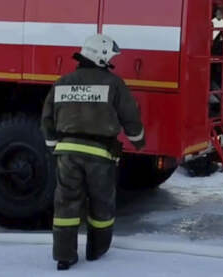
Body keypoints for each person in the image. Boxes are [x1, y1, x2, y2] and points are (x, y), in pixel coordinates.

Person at [41, 34, 145, 271]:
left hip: (66, 153)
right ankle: (96, 250)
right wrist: (138, 142)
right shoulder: (114, 83)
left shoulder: (62, 82)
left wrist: (52, 146)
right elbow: (130, 117)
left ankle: (64, 256)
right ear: (101, 56)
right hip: (100, 154)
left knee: (65, 204)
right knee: (101, 204)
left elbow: (47, 119)